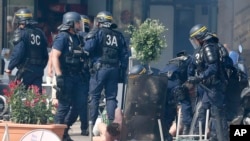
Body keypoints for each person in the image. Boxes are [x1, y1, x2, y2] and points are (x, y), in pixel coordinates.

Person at [84, 11, 129, 125]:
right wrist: (122, 71)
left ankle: (91, 125)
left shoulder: (97, 32)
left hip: (99, 70)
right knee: (111, 97)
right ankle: (111, 125)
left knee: (94, 97)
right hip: (114, 70)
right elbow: (125, 55)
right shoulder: (118, 35)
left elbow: (88, 49)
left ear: (99, 22)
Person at [51, 11, 89, 141]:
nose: (80, 25)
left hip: (78, 77)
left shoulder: (78, 37)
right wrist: (59, 75)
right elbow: (55, 55)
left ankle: (64, 131)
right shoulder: (62, 37)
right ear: (71, 23)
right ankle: (56, 135)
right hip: (66, 77)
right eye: (78, 22)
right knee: (63, 107)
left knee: (79, 106)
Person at [187, 24, 229, 141]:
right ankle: (197, 137)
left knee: (218, 114)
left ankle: (221, 138)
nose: (195, 42)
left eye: (195, 39)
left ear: (200, 37)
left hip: (214, 87)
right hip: (209, 88)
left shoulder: (208, 47)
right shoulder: (211, 45)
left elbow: (213, 68)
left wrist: (199, 77)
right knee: (202, 112)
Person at [5, 8, 48, 91]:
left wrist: (10, 67)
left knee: (19, 96)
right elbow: (45, 55)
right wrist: (39, 67)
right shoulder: (40, 33)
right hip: (38, 71)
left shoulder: (21, 32)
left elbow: (18, 52)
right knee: (36, 97)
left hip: (25, 70)